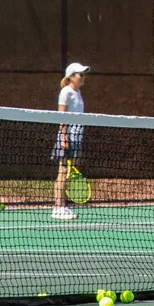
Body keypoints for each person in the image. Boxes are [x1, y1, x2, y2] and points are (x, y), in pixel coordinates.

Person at [51, 62, 89, 219]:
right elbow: (62, 116)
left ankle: (62, 206)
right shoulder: (66, 92)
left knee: (65, 172)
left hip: (76, 136)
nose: (83, 77)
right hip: (67, 137)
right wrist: (64, 137)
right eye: (80, 74)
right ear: (71, 76)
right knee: (62, 171)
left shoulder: (77, 92)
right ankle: (58, 207)